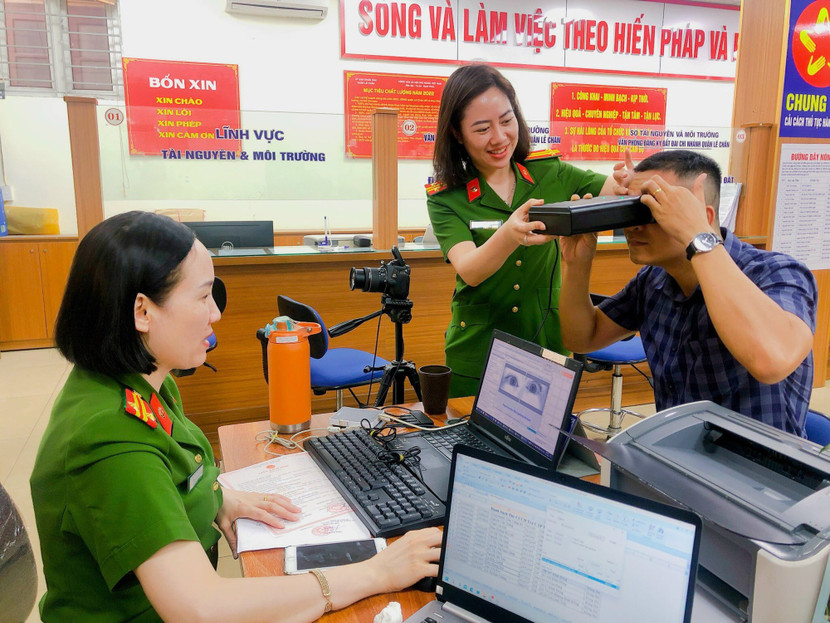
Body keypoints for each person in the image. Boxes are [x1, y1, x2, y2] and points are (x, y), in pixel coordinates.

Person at [29, 211, 442, 622]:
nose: (216, 314)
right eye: (203, 295)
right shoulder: (109, 438)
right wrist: (372, 573)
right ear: (142, 311)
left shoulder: (141, 380)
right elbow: (202, 609)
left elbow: (171, 473)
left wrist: (218, 499)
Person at [559, 150, 817, 436]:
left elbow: (771, 360)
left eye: (652, 210)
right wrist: (576, 265)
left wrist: (698, 237)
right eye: (630, 209)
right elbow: (582, 337)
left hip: (761, 473)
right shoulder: (653, 281)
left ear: (703, 218)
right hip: (678, 461)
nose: (632, 225)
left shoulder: (778, 273)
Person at [426, 63, 630, 397]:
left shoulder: (551, 172)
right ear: (457, 133)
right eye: (481, 129)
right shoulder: (447, 197)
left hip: (545, 344)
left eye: (507, 121)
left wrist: (625, 183)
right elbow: (470, 269)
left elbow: (613, 189)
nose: (499, 137)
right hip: (477, 353)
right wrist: (509, 233)